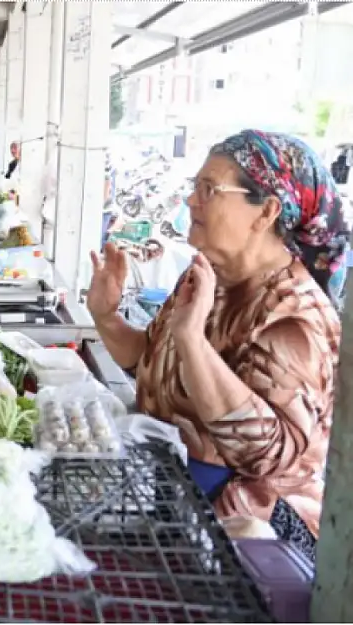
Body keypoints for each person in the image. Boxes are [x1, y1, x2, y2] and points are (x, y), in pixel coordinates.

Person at [85, 130, 348, 561]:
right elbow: (149, 364)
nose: (191, 201)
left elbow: (264, 455)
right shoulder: (209, 279)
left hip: (251, 532)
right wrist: (106, 316)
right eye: (195, 187)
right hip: (173, 496)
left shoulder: (295, 319)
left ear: (265, 211)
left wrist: (191, 340)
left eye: (209, 189)